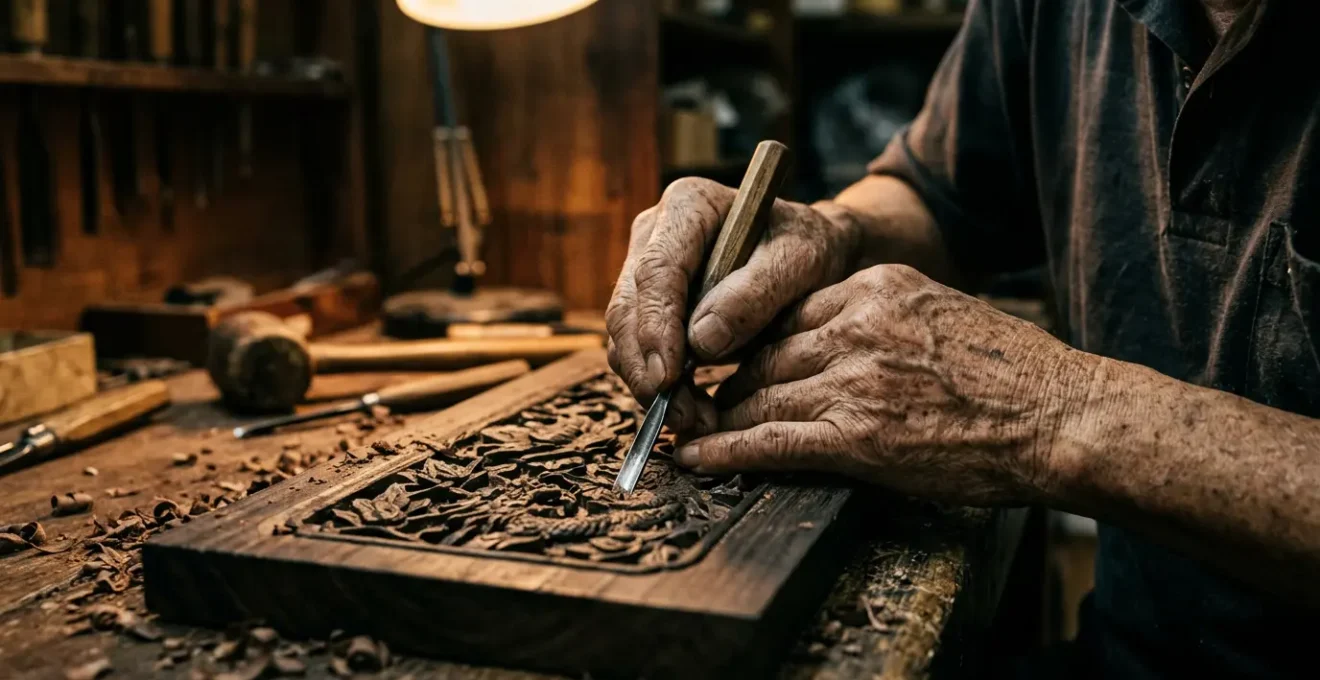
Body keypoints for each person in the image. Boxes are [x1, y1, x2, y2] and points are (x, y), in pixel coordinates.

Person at [605, 0, 1319, 677]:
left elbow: (1054, 410)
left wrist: (1054, 412)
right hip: (1130, 650)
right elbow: (940, 197)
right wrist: (830, 231)